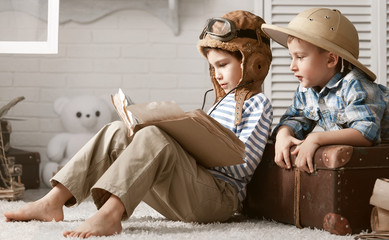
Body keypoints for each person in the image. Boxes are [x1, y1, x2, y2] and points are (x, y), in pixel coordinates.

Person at [4, 10, 273, 238]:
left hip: (218, 198)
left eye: (223, 65)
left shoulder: (258, 105)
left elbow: (242, 167)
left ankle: (110, 214)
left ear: (254, 64)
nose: (217, 74)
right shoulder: (219, 102)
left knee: (155, 138)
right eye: (213, 67)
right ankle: (53, 201)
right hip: (189, 190)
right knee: (118, 131)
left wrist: (185, 146)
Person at [261, 8, 389, 174]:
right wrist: (283, 135)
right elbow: (295, 118)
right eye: (291, 57)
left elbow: (365, 133)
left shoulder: (356, 85)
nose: (292, 66)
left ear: (330, 59)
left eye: (300, 57)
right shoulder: (306, 90)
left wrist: (316, 138)